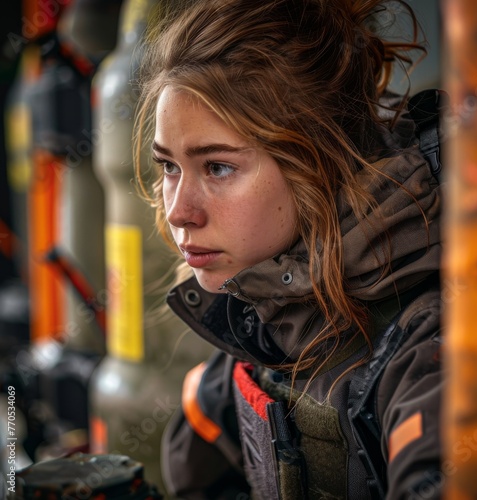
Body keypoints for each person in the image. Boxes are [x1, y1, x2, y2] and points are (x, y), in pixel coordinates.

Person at [134, 0, 444, 498]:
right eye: (169, 166)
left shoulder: (433, 348)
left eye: (216, 167)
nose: (177, 211)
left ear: (318, 164)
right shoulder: (255, 318)